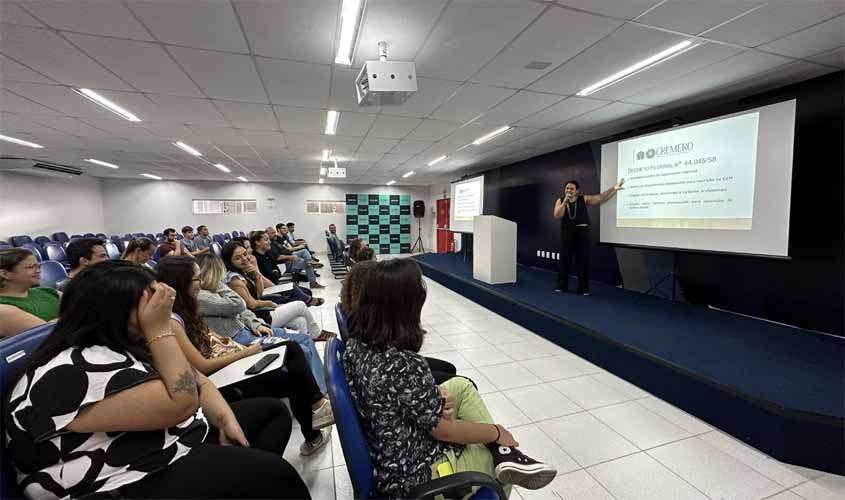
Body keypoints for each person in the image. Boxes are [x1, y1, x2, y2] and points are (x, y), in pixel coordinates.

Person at [5, 261, 310, 498]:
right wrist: (160, 328)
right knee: (277, 476)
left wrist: (223, 417)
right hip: (116, 480)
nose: (161, 306)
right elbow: (183, 403)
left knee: (271, 414)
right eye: (150, 301)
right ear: (116, 310)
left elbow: (197, 380)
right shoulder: (66, 372)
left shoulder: (121, 343)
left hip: (160, 443)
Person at [343, 258, 556, 498]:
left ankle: (504, 453)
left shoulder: (356, 342)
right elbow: (444, 432)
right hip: (417, 474)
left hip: (390, 444)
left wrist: (432, 393)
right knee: (498, 468)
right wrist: (495, 432)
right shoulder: (403, 364)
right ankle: (502, 456)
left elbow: (397, 394)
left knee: (461, 386)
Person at [155, 256, 333, 455]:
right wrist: (246, 353)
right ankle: (318, 407)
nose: (203, 283)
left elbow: (240, 313)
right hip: (221, 377)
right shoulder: (174, 320)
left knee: (293, 366)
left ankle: (315, 424)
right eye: (198, 279)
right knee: (291, 352)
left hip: (231, 359)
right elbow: (203, 366)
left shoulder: (188, 309)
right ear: (182, 283)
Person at [193, 253, 328, 392]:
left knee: (305, 339)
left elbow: (244, 310)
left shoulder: (215, 289)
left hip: (250, 329)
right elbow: (239, 304)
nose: (245, 257)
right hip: (239, 341)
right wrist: (221, 284)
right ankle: (317, 394)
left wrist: (255, 323)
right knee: (300, 346)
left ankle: (321, 389)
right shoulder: (201, 296)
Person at [340, 259, 456, 384]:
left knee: (449, 369)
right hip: (395, 376)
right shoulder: (405, 364)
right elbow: (430, 400)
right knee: (465, 385)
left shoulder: (363, 327)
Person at [220, 242, 335, 341]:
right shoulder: (234, 280)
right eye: (238, 258)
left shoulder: (244, 272)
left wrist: (257, 276)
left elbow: (259, 294)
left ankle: (306, 348)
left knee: (301, 322)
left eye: (245, 254)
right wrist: (270, 304)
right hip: (258, 319)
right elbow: (252, 304)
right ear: (229, 262)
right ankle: (317, 334)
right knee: (300, 305)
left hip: (261, 312)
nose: (244, 259)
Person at [552, 178, 624, 295]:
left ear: (577, 191)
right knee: (565, 260)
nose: (568, 190)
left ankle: (583, 289)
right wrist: (565, 202)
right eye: (567, 188)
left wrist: (614, 189)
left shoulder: (584, 199)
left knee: (583, 261)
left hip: (582, 233)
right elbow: (557, 215)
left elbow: (600, 198)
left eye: (571, 188)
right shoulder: (560, 200)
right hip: (567, 234)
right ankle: (561, 286)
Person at [239, 234, 323, 306]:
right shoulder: (253, 261)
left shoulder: (263, 255)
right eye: (247, 248)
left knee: (306, 291)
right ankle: (309, 300)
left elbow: (276, 273)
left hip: (272, 285)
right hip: (266, 292)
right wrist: (277, 288)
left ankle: (309, 264)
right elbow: (260, 288)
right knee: (298, 291)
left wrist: (276, 283)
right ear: (257, 242)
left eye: (250, 247)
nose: (250, 250)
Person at [0, 248, 60, 338]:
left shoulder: (47, 291)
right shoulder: (2, 308)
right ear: (4, 274)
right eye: (31, 267)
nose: (38, 271)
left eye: (38, 266)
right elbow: (48, 334)